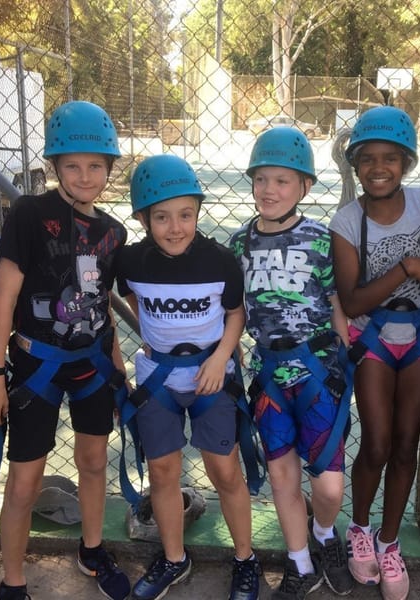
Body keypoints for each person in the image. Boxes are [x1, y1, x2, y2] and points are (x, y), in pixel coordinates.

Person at [0, 100, 131, 600]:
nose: (85, 175)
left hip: (90, 364)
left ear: (109, 168)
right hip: (34, 365)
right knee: (24, 481)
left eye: (95, 166)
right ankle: (14, 580)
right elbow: (5, 300)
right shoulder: (28, 213)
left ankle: (91, 548)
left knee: (93, 461)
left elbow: (101, 304)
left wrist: (117, 364)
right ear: (54, 167)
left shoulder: (113, 232)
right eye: (72, 165)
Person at [329, 105, 420, 600]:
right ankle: (359, 529)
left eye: (390, 158)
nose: (378, 167)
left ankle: (388, 543)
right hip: (376, 339)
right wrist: (406, 266)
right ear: (355, 165)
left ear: (405, 162)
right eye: (367, 159)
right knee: (379, 443)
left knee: (408, 443)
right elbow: (353, 300)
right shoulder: (347, 222)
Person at [116, 153, 261, 600]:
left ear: (198, 212)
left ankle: (245, 559)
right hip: (159, 378)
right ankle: (174, 558)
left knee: (225, 470)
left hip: (211, 377)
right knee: (162, 471)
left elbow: (235, 315)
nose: (175, 227)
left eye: (185, 215)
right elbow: (131, 301)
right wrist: (154, 339)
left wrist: (219, 359)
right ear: (143, 218)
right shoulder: (130, 263)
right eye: (161, 217)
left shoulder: (219, 261)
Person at [229, 127, 354, 599]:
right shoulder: (240, 243)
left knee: (327, 486)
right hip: (269, 377)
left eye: (282, 181)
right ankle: (300, 565)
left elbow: (338, 303)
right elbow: (237, 308)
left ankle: (324, 534)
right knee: (281, 474)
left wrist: (345, 360)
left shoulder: (322, 240)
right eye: (261, 179)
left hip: (319, 376)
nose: (269, 190)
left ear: (303, 186)